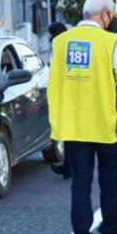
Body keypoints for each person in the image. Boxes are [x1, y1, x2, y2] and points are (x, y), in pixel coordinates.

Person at [48, 0, 117, 234]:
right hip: (106, 125)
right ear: (105, 14)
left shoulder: (60, 42)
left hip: (74, 126)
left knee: (80, 186)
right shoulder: (110, 42)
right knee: (110, 183)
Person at [47, 22, 71, 179]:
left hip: (65, 96)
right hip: (73, 95)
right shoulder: (71, 44)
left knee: (69, 136)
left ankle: (68, 168)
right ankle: (68, 167)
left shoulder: (58, 45)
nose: (49, 38)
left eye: (51, 34)